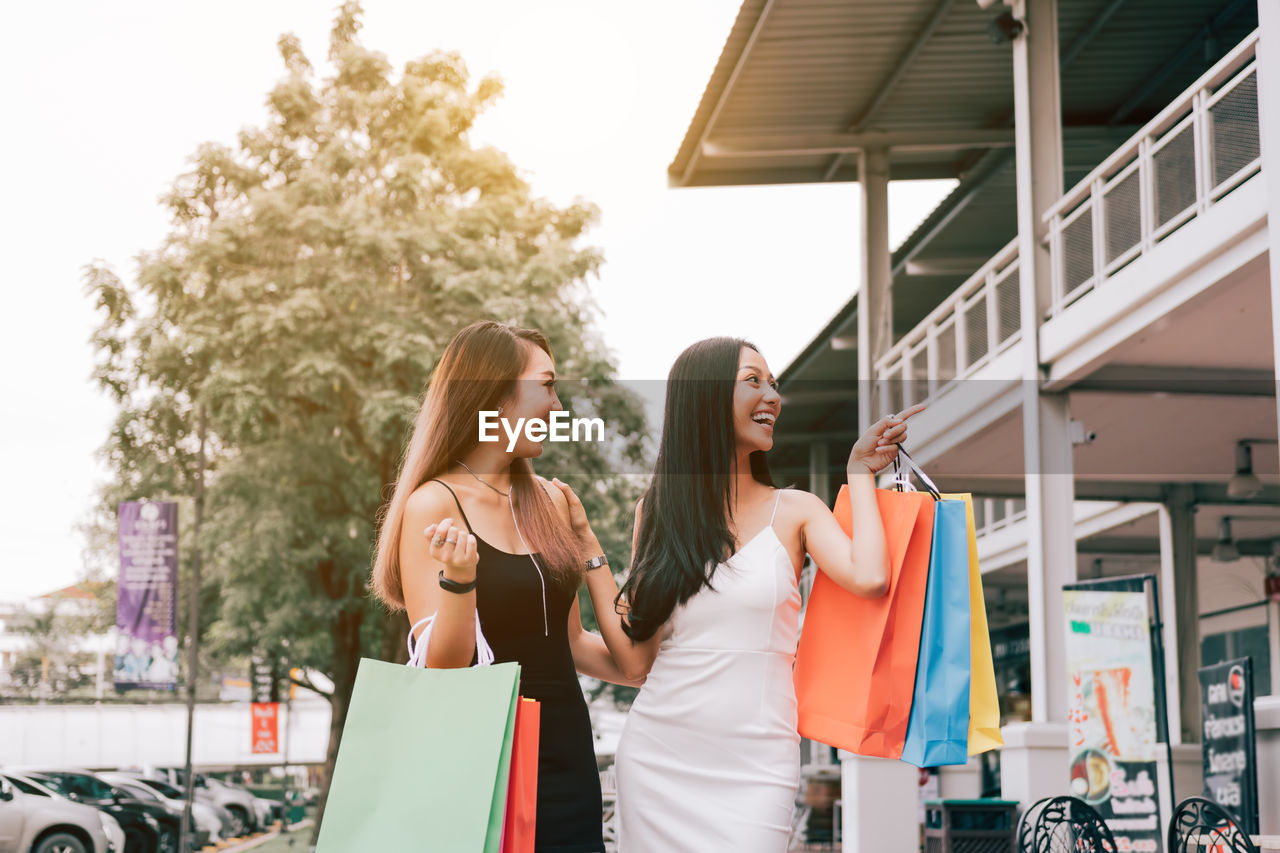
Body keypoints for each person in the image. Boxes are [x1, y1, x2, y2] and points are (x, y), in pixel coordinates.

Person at [554, 337, 921, 852]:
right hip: (659, 757)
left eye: (773, 383)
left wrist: (859, 474)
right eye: (753, 381)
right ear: (703, 399)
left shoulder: (795, 509)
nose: (772, 395)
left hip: (759, 761)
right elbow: (636, 660)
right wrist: (589, 551)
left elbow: (871, 576)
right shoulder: (656, 513)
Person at [370, 320, 637, 853]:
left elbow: (581, 643)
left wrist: (587, 544)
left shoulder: (552, 502)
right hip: (482, 758)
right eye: (548, 384)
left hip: (566, 755)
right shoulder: (434, 503)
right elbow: (442, 669)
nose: (558, 408)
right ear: (494, 393)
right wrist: (459, 581)